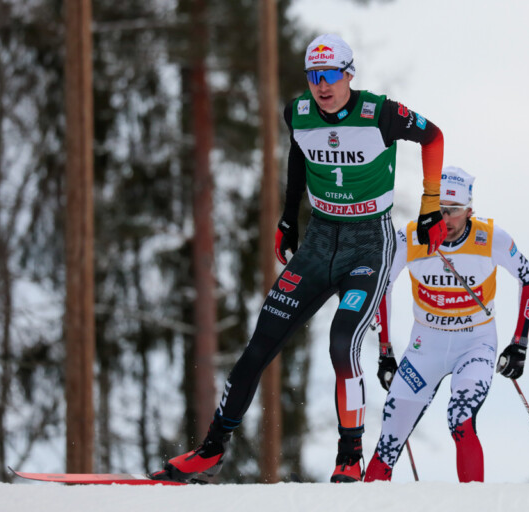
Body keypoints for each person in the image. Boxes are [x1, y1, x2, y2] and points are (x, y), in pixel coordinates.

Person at [151, 33, 447, 484]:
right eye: (314, 77)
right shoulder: (299, 112)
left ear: (349, 75)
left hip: (369, 243)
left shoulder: (380, 113)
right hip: (318, 242)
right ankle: (211, 450)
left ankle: (349, 457)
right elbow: (299, 154)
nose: (322, 86)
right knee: (258, 346)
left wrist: (429, 207)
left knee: (341, 343)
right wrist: (288, 218)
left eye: (330, 76)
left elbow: (434, 137)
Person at [362, 166, 529, 483]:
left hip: (475, 345)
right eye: (439, 209)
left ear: (470, 210)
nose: (446, 218)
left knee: (460, 418)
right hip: (424, 348)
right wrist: (385, 351)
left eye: (454, 210)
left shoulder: (490, 238)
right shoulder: (409, 238)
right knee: (390, 437)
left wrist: (519, 344)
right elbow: (381, 286)